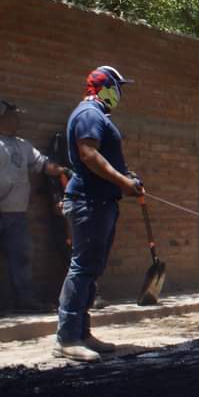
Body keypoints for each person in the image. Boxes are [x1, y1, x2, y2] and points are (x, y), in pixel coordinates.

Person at [54, 66, 144, 362]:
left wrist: (128, 178)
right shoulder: (89, 115)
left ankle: (82, 332)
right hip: (88, 202)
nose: (121, 93)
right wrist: (124, 183)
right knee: (82, 269)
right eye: (119, 87)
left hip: (100, 202)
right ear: (106, 87)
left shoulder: (97, 115)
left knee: (91, 269)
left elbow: (103, 158)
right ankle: (67, 338)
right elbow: (89, 156)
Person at [0, 99, 68, 313]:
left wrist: (62, 170)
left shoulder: (22, 145)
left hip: (16, 213)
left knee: (20, 258)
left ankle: (24, 301)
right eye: (12, 115)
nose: (16, 119)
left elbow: (43, 164)